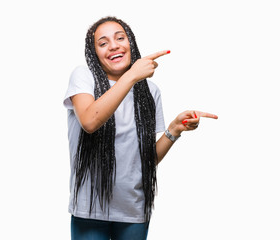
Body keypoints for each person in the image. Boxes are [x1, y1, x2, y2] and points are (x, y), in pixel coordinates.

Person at [63, 16, 218, 240]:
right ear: (94, 53)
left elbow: (145, 160)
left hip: (133, 210)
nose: (113, 45)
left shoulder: (150, 92)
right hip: (90, 210)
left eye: (120, 38)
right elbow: (89, 121)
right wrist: (132, 75)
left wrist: (174, 129)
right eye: (103, 43)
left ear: (130, 43)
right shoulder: (83, 77)